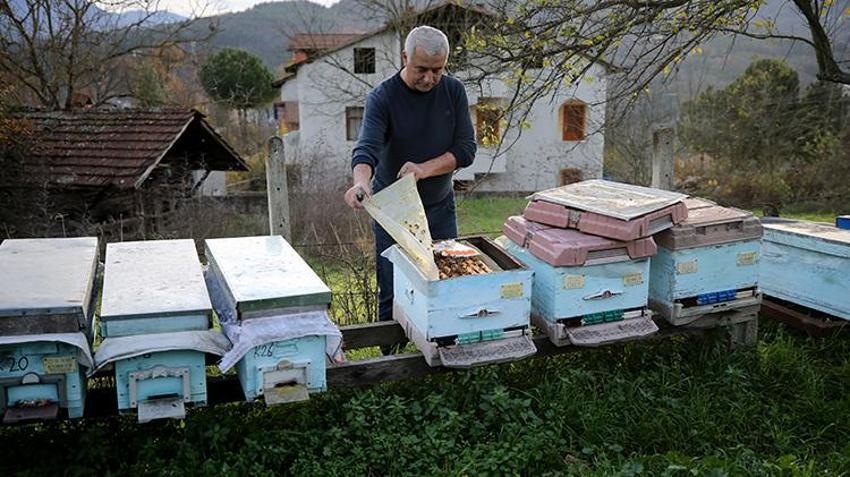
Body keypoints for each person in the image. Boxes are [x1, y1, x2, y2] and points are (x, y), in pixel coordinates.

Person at [344, 25, 477, 335]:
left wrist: (424, 169)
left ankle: (441, 356)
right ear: (405, 57)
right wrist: (361, 183)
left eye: (437, 70)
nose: (429, 78)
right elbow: (366, 149)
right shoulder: (383, 98)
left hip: (440, 209)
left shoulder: (453, 91)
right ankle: (392, 367)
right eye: (421, 69)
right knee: (394, 293)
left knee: (444, 283)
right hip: (394, 216)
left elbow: (466, 150)